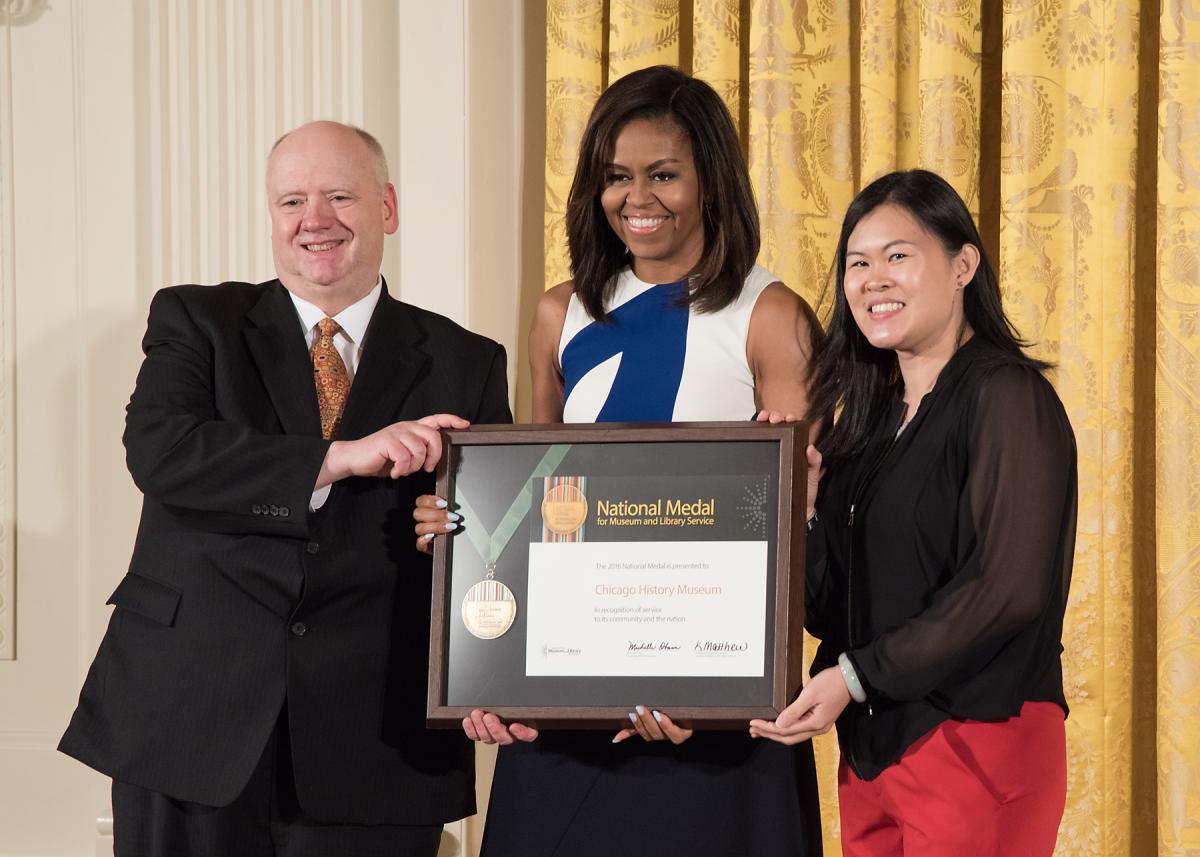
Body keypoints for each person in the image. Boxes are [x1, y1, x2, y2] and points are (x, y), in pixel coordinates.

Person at [59, 121, 512, 857]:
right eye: (292, 200)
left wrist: (452, 533)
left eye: (340, 196)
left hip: (378, 740)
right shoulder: (198, 319)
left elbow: (494, 542)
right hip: (187, 723)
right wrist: (339, 457)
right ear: (272, 216)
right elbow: (162, 451)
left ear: (388, 207)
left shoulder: (468, 360)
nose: (315, 221)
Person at [415, 66, 823, 856]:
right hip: (572, 715)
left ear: (713, 182)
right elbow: (533, 508)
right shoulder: (556, 313)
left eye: (664, 174)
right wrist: (461, 534)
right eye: (617, 177)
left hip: (718, 729)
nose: (638, 198)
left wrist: (706, 696)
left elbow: (797, 537)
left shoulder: (771, 316)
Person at [750, 169, 1076, 857]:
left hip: (978, 740)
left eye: (898, 255)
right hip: (869, 753)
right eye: (858, 263)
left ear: (963, 264)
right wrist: (805, 512)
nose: (873, 279)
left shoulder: (1007, 396)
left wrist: (854, 675)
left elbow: (1007, 589)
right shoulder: (859, 428)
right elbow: (826, 611)